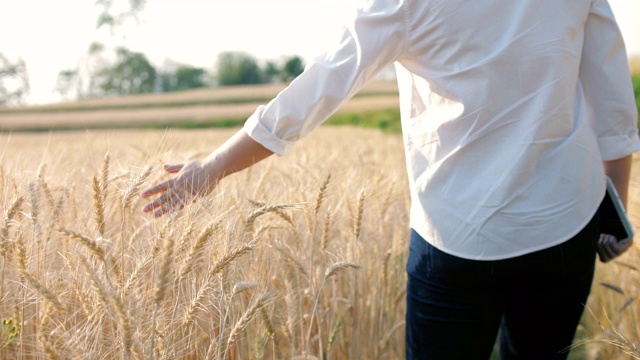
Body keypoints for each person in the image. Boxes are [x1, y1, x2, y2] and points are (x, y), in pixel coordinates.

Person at [141, 0, 639, 358]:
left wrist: (212, 169)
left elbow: (314, 91)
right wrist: (614, 203)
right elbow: (613, 100)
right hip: (564, 228)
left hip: (457, 239)